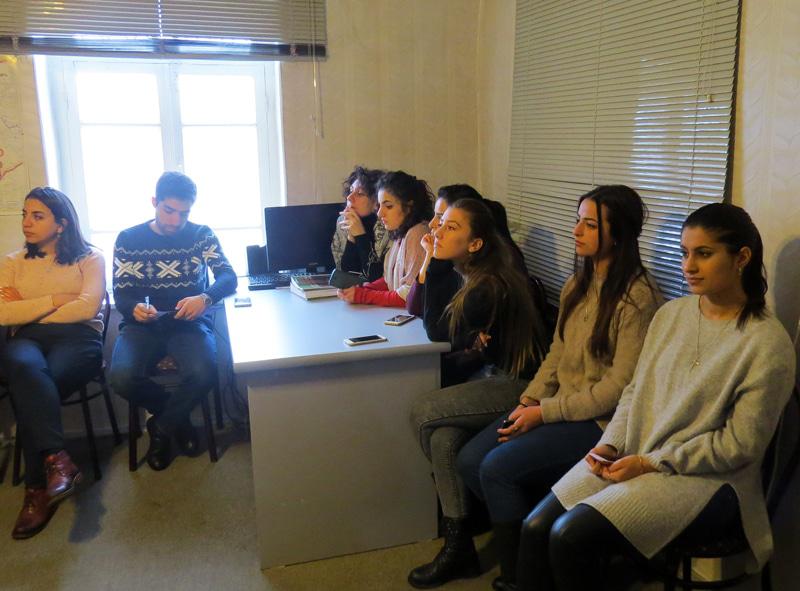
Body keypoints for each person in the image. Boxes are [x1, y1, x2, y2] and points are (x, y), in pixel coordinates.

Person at [516, 203, 796, 591]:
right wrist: (611, 443)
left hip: (714, 481)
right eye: (684, 253)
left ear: (742, 258)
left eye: (704, 253)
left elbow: (739, 446)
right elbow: (635, 391)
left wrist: (651, 462)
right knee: (535, 527)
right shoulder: (671, 315)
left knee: (569, 536)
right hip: (638, 453)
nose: (688, 266)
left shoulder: (766, 343)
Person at [453, 185, 663, 590]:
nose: (576, 231)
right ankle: (539, 553)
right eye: (577, 221)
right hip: (558, 406)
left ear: (618, 234)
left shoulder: (638, 298)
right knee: (470, 458)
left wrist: (543, 413)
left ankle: (520, 577)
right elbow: (556, 354)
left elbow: (618, 388)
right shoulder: (577, 284)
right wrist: (529, 399)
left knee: (496, 468)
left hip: (600, 424)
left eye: (590, 225)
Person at [406, 199, 549, 588]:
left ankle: (466, 515)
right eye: (441, 224)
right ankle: (460, 548)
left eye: (451, 228)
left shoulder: (489, 283)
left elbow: (437, 330)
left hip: (521, 386)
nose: (437, 231)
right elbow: (447, 327)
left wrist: (434, 263)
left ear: (475, 244)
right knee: (443, 438)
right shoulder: (474, 273)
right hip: (493, 374)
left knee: (422, 412)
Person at [109, 172, 237, 472]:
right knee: (121, 378)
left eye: (184, 213)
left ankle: (162, 427)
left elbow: (228, 277)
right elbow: (122, 294)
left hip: (188, 324)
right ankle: (177, 420)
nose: (176, 220)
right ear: (154, 202)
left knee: (205, 372)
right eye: (169, 210)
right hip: (143, 325)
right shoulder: (128, 239)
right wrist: (134, 308)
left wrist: (204, 298)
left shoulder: (201, 234)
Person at [0, 187, 106, 539]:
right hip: (26, 341)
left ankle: (36, 491)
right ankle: (57, 461)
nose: (26, 223)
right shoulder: (12, 262)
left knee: (31, 391)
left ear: (61, 224)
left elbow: (87, 308)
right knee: (25, 371)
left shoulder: (90, 258)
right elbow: (3, 313)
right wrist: (58, 299)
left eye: (37, 216)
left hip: (79, 338)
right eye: (24, 214)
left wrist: (28, 309)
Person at [406, 184, 526, 318]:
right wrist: (430, 255)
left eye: (449, 226)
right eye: (441, 222)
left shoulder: (486, 286)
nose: (433, 225)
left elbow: (435, 324)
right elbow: (415, 306)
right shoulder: (460, 264)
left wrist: (434, 259)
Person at [337, 171, 432, 307]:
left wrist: (361, 295)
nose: (380, 213)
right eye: (379, 206)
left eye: (388, 206)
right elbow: (388, 281)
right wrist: (362, 290)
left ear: (409, 207)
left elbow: (408, 294)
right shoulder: (399, 232)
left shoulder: (417, 232)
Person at [330, 166, 390, 282]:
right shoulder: (343, 222)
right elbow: (345, 276)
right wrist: (351, 237)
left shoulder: (388, 224)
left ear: (376, 202)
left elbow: (378, 278)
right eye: (351, 191)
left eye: (360, 194)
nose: (349, 197)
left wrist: (360, 235)